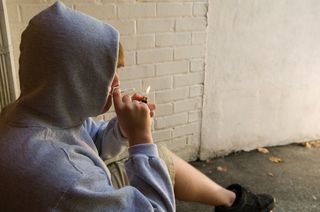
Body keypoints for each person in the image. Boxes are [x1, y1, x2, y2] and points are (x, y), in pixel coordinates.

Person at [0, 1, 274, 211]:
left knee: (158, 157)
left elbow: (90, 139)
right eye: (108, 73)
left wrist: (123, 129)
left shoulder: (31, 113)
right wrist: (141, 138)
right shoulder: (67, 176)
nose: (117, 83)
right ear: (75, 77)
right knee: (153, 156)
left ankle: (231, 201)